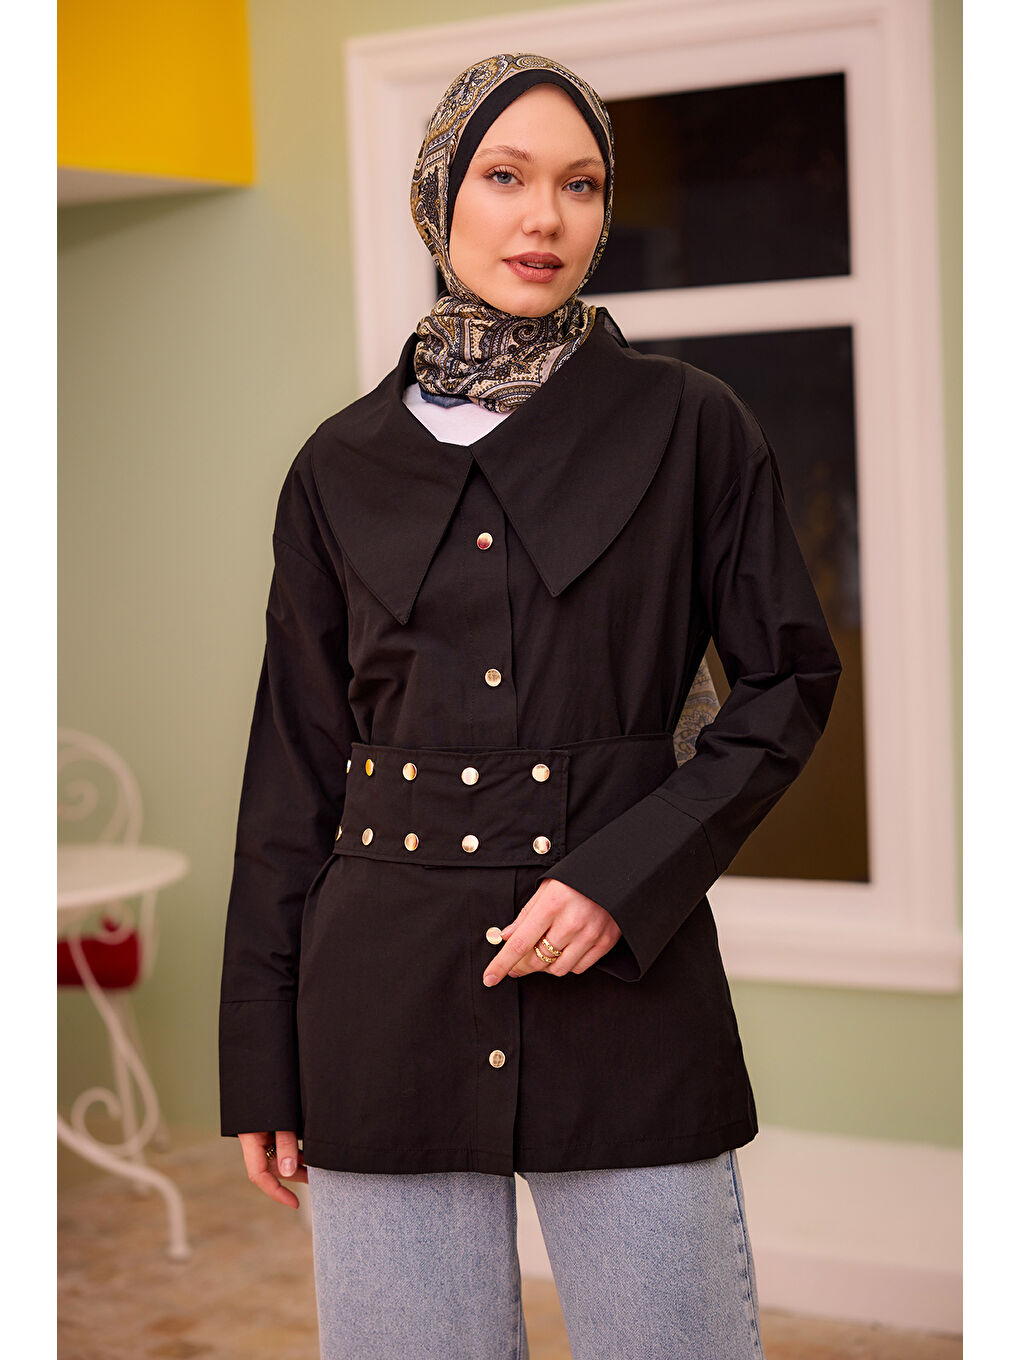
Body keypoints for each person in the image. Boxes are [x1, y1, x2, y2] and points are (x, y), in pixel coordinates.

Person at [218, 51, 842, 1360]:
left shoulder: (694, 427)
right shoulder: (337, 465)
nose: (544, 218)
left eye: (581, 184)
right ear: (439, 196)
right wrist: (262, 1056)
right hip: (379, 1001)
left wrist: (622, 878)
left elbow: (788, 682)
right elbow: (294, 770)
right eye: (504, 176)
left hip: (626, 983)